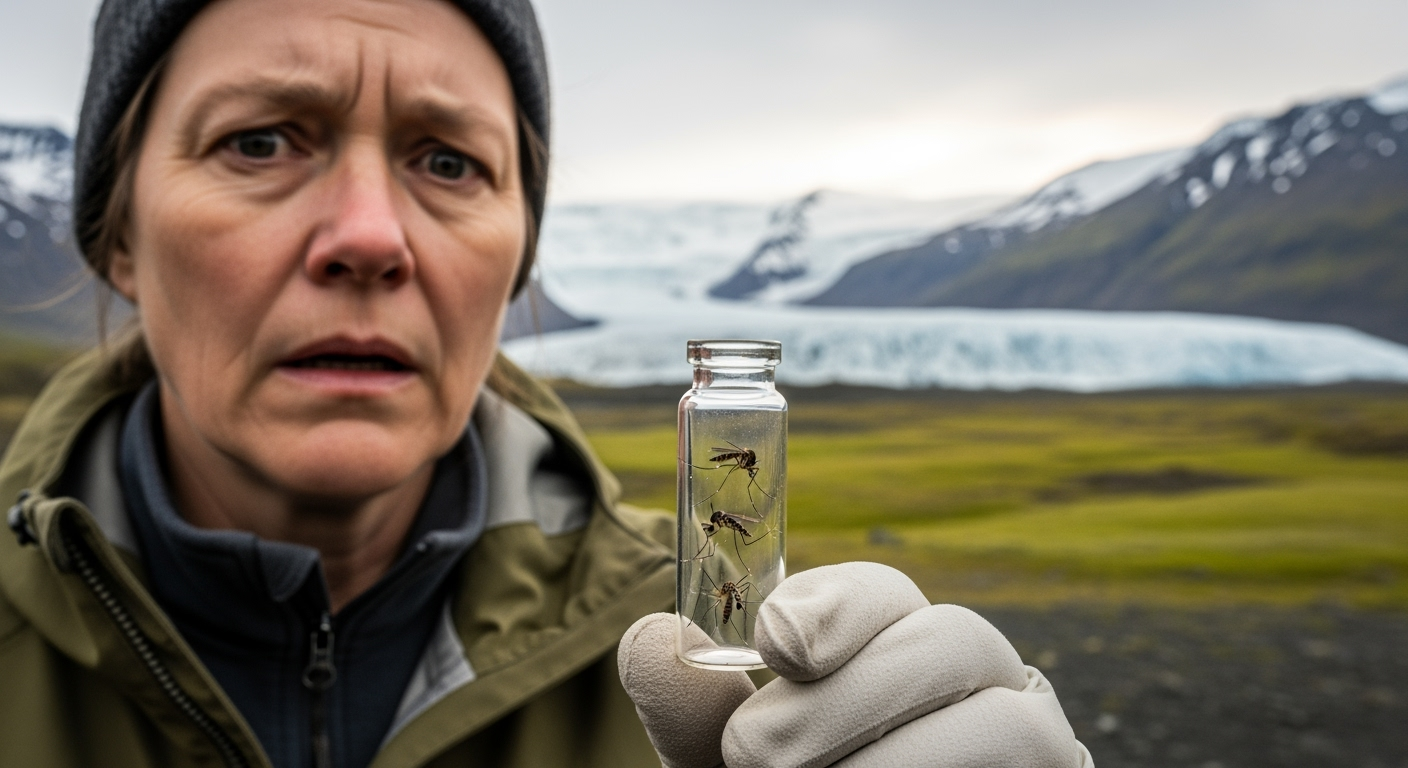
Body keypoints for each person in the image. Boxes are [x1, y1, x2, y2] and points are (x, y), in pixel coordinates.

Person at [0, 0, 1092, 766]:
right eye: (259, 141)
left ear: (515, 258)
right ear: (117, 235)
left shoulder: (728, 672)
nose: (372, 237)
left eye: (447, 162)